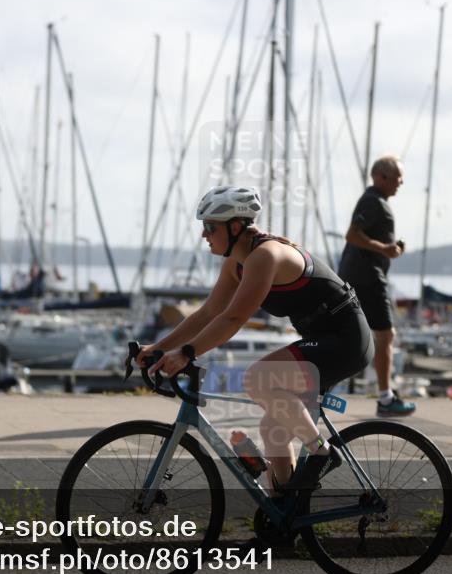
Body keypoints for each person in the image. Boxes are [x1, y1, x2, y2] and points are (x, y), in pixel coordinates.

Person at [140, 186, 374, 493]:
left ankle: (321, 452)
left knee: (259, 379)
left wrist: (186, 352)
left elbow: (234, 318)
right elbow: (208, 312)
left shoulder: (266, 255)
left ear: (235, 227)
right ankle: (287, 512)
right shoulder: (236, 263)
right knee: (272, 429)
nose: (204, 234)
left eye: (210, 227)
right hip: (322, 339)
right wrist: (158, 348)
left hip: (346, 340)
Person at [338, 155, 416, 417]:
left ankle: (316, 386)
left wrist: (389, 251)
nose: (401, 182)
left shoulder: (375, 200)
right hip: (367, 277)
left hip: (360, 275)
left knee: (350, 335)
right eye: (398, 177)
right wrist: (384, 248)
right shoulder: (373, 200)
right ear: (382, 176)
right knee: (385, 335)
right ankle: (385, 398)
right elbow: (352, 234)